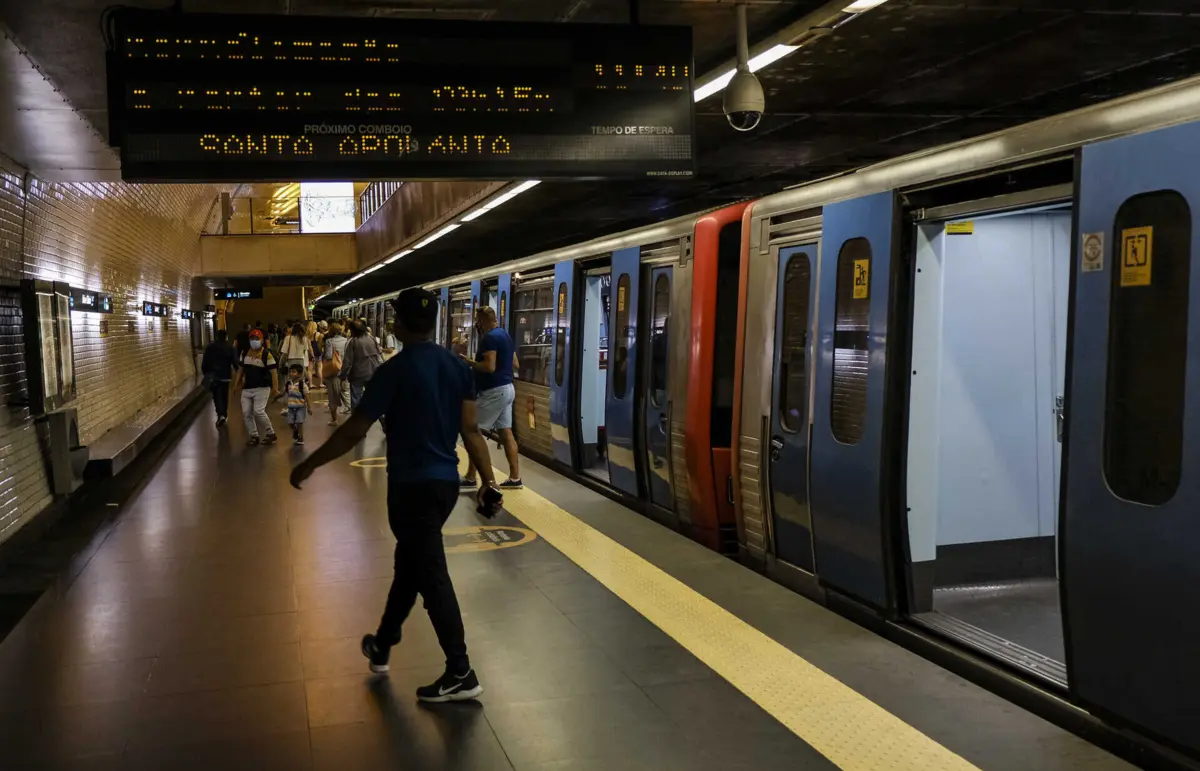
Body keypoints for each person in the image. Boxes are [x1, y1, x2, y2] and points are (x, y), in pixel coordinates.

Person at [290, 288, 499, 702]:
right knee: (411, 565)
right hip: (443, 486)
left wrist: (311, 462)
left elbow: (354, 430)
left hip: (411, 489)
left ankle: (460, 670)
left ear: (399, 324)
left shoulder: (394, 372)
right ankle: (382, 644)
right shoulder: (457, 368)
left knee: (431, 574)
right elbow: (471, 432)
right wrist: (488, 484)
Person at [459, 306, 522, 490]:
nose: (477, 324)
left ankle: (471, 477)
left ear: (484, 319)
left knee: (473, 431)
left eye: (478, 320)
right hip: (508, 389)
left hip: (494, 391)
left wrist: (470, 362)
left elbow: (490, 367)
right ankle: (515, 478)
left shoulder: (490, 338)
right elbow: (515, 363)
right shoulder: (505, 335)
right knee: (506, 432)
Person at [232, 329, 279, 446]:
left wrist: (275, 389)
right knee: (246, 413)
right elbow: (241, 370)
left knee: (258, 411)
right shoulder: (245, 353)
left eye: (257, 339)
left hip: (262, 387)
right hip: (247, 388)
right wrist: (236, 384)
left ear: (262, 341)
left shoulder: (266, 355)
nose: (254, 341)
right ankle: (254, 435)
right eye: (252, 339)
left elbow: (274, 372)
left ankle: (271, 433)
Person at [340, 320, 384, 410]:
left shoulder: (353, 342)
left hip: (358, 374)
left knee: (356, 399)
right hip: (373, 373)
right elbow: (379, 356)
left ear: (353, 330)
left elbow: (347, 362)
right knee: (373, 398)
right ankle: (380, 418)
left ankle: (356, 420)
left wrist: (343, 375)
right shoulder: (372, 338)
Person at [201, 329, 236, 427]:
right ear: (226, 337)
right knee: (224, 396)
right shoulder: (230, 347)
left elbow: (205, 362)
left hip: (214, 376)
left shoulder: (210, 347)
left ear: (216, 336)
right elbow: (235, 362)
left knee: (216, 396)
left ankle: (220, 414)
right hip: (226, 376)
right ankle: (224, 414)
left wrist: (206, 373)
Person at [284, 363, 311, 445]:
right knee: (290, 422)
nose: (291, 373)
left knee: (299, 422)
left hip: (300, 407)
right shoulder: (288, 383)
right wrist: (276, 396)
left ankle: (301, 438)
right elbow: (283, 392)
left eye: (294, 372)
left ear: (299, 374)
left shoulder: (302, 384)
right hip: (291, 407)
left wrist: (309, 408)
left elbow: (307, 396)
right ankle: (295, 431)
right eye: (290, 372)